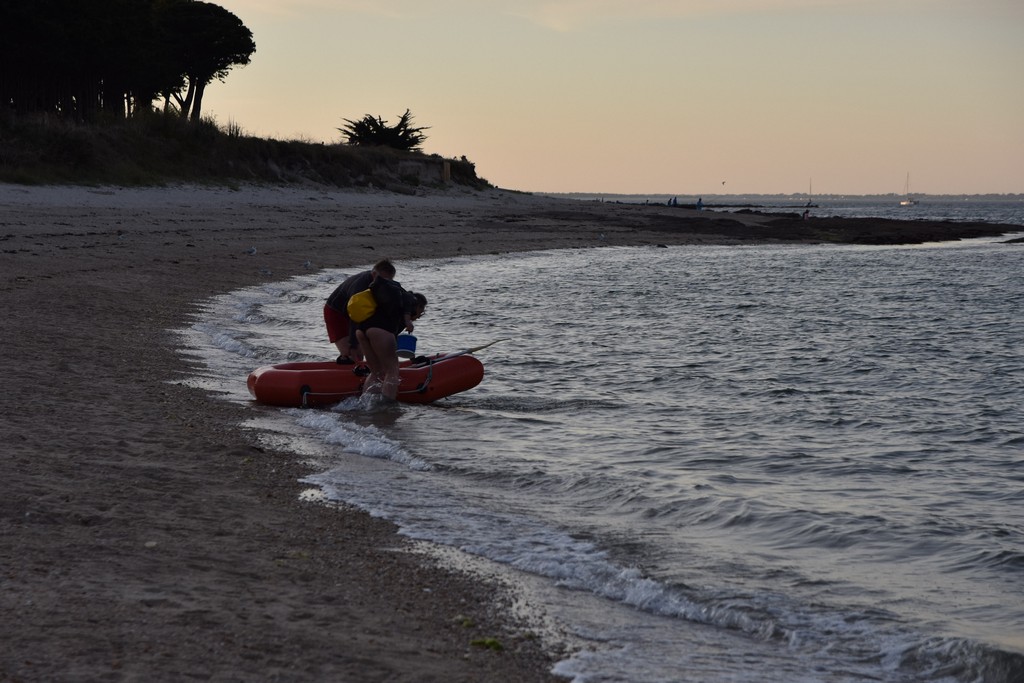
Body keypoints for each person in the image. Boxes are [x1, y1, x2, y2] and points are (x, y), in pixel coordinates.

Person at [355, 276, 427, 402]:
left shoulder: (393, 309)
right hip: (378, 330)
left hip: (361, 331)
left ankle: (364, 403)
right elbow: (409, 298)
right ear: (419, 306)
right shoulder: (410, 301)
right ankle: (386, 407)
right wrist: (407, 320)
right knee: (392, 371)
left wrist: (412, 359)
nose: (420, 315)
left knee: (376, 372)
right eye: (422, 311)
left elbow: (391, 344)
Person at [323, 258, 396, 364]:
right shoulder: (360, 286)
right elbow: (354, 316)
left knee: (360, 352)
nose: (385, 284)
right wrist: (353, 343)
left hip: (355, 314)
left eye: (388, 281)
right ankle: (342, 368)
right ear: (374, 274)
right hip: (336, 312)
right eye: (383, 280)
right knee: (349, 351)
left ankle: (361, 369)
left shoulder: (381, 285)